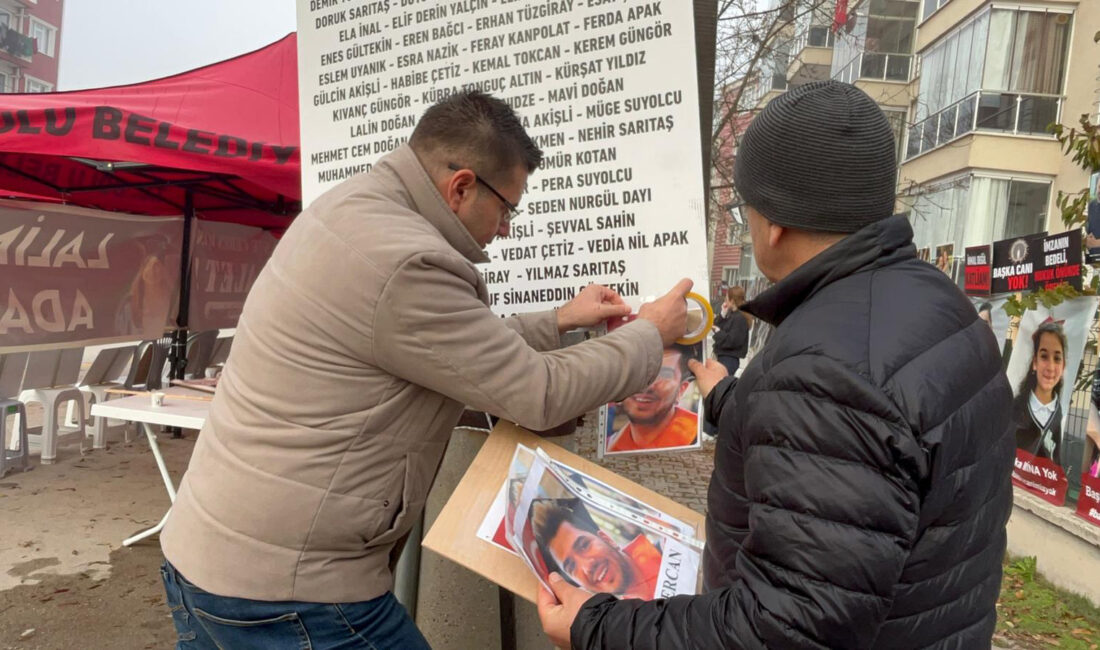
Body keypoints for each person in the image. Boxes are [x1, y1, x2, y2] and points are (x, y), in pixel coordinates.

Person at [158, 90, 693, 650]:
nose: (507, 229)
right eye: (508, 208)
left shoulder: (355, 208)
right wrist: (650, 333)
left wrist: (559, 319)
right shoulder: (408, 260)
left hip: (213, 560)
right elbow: (538, 392)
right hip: (290, 593)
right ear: (461, 187)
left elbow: (451, 346)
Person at [539, 80, 1014, 648]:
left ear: (773, 223)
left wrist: (596, 626)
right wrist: (734, 405)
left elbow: (785, 628)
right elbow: (869, 449)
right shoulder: (939, 302)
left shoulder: (823, 367)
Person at [532, 498, 661, 600]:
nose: (587, 567)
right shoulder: (630, 619)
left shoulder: (665, 550)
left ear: (607, 539)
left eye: (584, 545)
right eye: (571, 567)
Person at [607, 345, 698, 452]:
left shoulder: (695, 438)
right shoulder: (612, 444)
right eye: (637, 372)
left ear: (681, 390)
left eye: (664, 374)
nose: (647, 386)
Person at [1012, 320, 1067, 466]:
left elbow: (1056, 463)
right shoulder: (1015, 408)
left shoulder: (1059, 413)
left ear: (1063, 366)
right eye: (1044, 356)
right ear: (1035, 362)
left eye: (1057, 358)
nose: (1050, 367)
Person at [711, 286, 751, 376]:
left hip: (729, 359)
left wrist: (718, 332)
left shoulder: (739, 318)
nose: (725, 301)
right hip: (724, 357)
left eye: (726, 299)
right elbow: (716, 325)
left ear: (732, 301)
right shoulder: (732, 315)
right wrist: (722, 315)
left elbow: (733, 341)